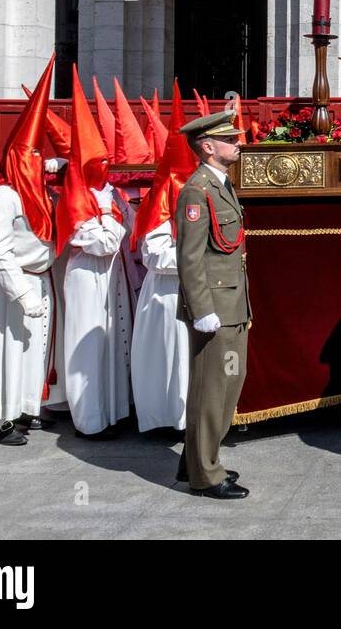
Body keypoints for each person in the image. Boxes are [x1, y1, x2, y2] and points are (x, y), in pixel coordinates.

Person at [0, 57, 65, 443]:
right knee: (8, 350)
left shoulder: (37, 192)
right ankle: (3, 419)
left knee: (35, 351)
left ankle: (28, 408)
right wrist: (22, 293)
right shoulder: (1, 196)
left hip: (40, 277)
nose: (40, 165)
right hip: (14, 286)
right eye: (33, 160)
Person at [176, 110, 251, 499]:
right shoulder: (196, 190)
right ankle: (205, 475)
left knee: (227, 387)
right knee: (211, 391)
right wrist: (202, 310)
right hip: (214, 310)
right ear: (208, 147)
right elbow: (189, 258)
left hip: (232, 303)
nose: (238, 143)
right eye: (231, 139)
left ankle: (197, 460)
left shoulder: (220, 185)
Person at [55, 66, 132, 439]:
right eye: (97, 161)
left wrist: (109, 220)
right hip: (87, 273)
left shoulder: (107, 195)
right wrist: (111, 224)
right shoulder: (75, 197)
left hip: (110, 273)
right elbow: (101, 241)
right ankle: (88, 419)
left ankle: (112, 411)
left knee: (111, 340)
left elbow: (115, 233)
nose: (105, 166)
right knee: (86, 343)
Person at [130, 84, 195, 434]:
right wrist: (195, 258)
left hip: (191, 292)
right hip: (164, 296)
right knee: (166, 357)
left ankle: (188, 417)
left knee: (187, 358)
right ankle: (164, 417)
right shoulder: (158, 207)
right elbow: (155, 256)